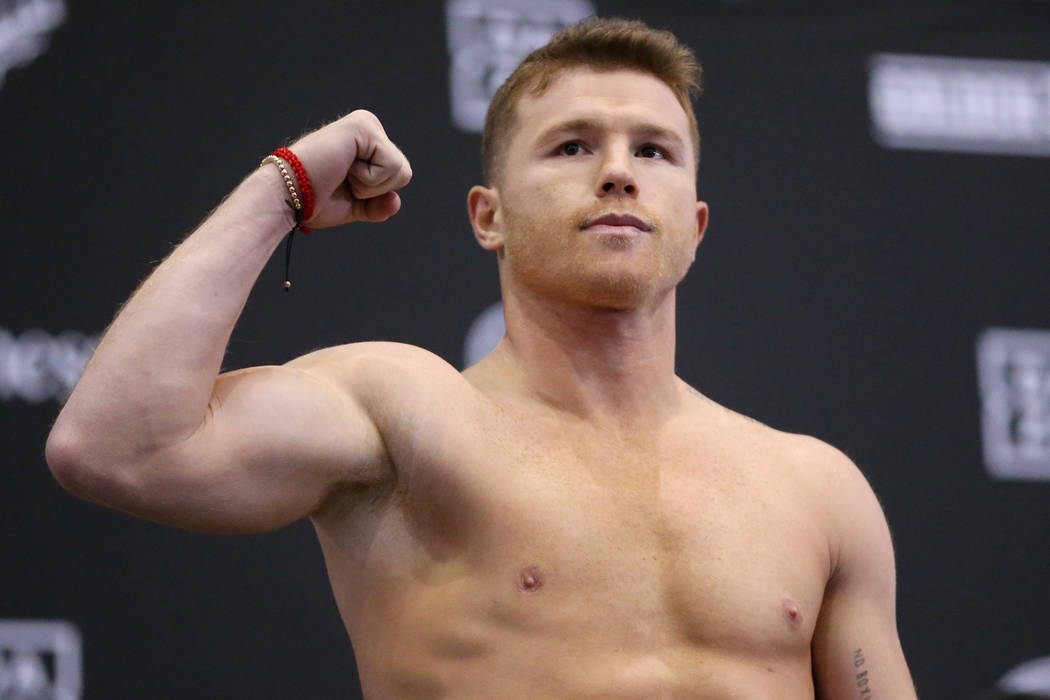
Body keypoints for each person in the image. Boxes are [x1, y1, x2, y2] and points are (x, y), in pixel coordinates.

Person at [46, 17, 918, 699]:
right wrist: (285, 187)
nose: (618, 172)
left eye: (653, 150)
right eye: (573, 145)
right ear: (486, 216)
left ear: (692, 227)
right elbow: (117, 447)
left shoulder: (816, 489)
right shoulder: (403, 413)